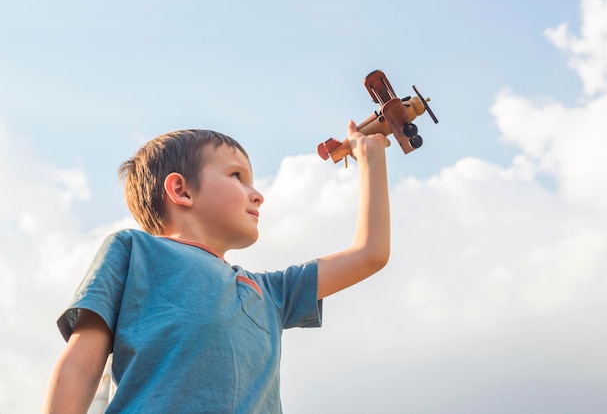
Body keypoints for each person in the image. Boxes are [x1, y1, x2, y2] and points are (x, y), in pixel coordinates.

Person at [43, 121, 390, 413]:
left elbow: (369, 254)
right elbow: (80, 366)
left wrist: (371, 159)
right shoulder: (134, 251)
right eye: (237, 176)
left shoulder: (272, 293)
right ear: (181, 190)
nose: (257, 195)